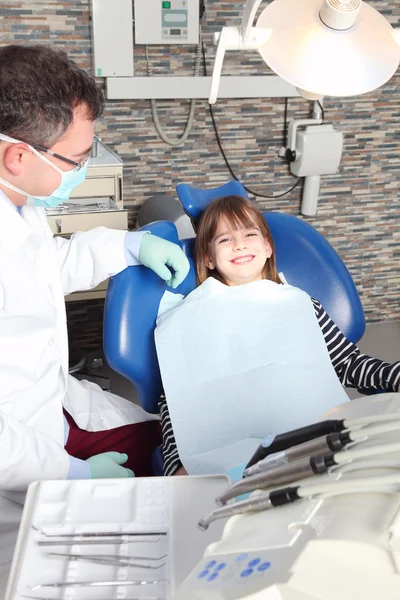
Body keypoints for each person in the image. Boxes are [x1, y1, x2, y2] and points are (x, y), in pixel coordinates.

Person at [0, 42, 191, 562]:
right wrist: (74, 474)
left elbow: (43, 268)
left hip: (51, 409)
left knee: (181, 449)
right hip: (19, 463)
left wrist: (127, 245)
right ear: (18, 156)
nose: (85, 166)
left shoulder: (17, 204)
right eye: (78, 159)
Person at [158, 195, 400, 476]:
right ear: (208, 258)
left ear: (268, 247)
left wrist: (394, 375)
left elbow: (347, 364)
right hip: (229, 456)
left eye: (250, 234)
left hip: (312, 440)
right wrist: (176, 462)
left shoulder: (299, 305)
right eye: (225, 239)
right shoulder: (189, 319)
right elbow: (176, 401)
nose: (240, 244)